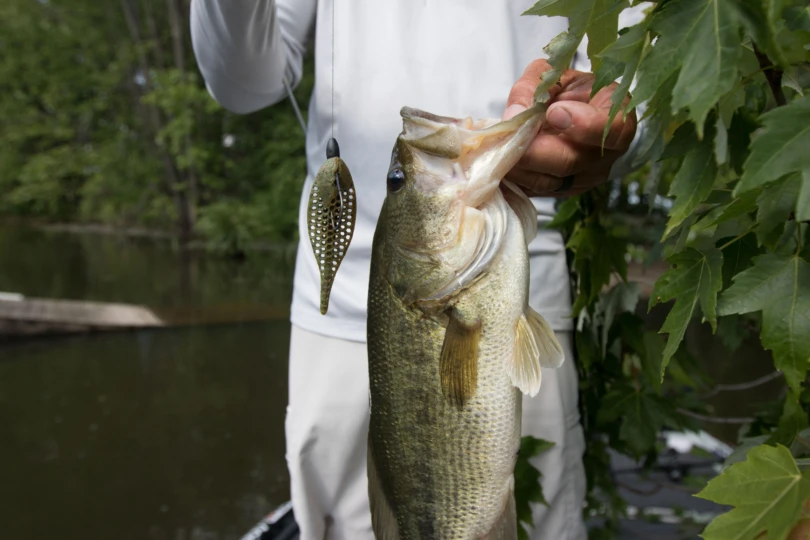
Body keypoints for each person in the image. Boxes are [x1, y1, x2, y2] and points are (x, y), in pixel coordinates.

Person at [190, 2, 640, 539]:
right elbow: (244, 83)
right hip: (336, 304)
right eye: (401, 179)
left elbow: (643, 57)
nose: (414, 150)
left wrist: (624, 122)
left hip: (522, 276)